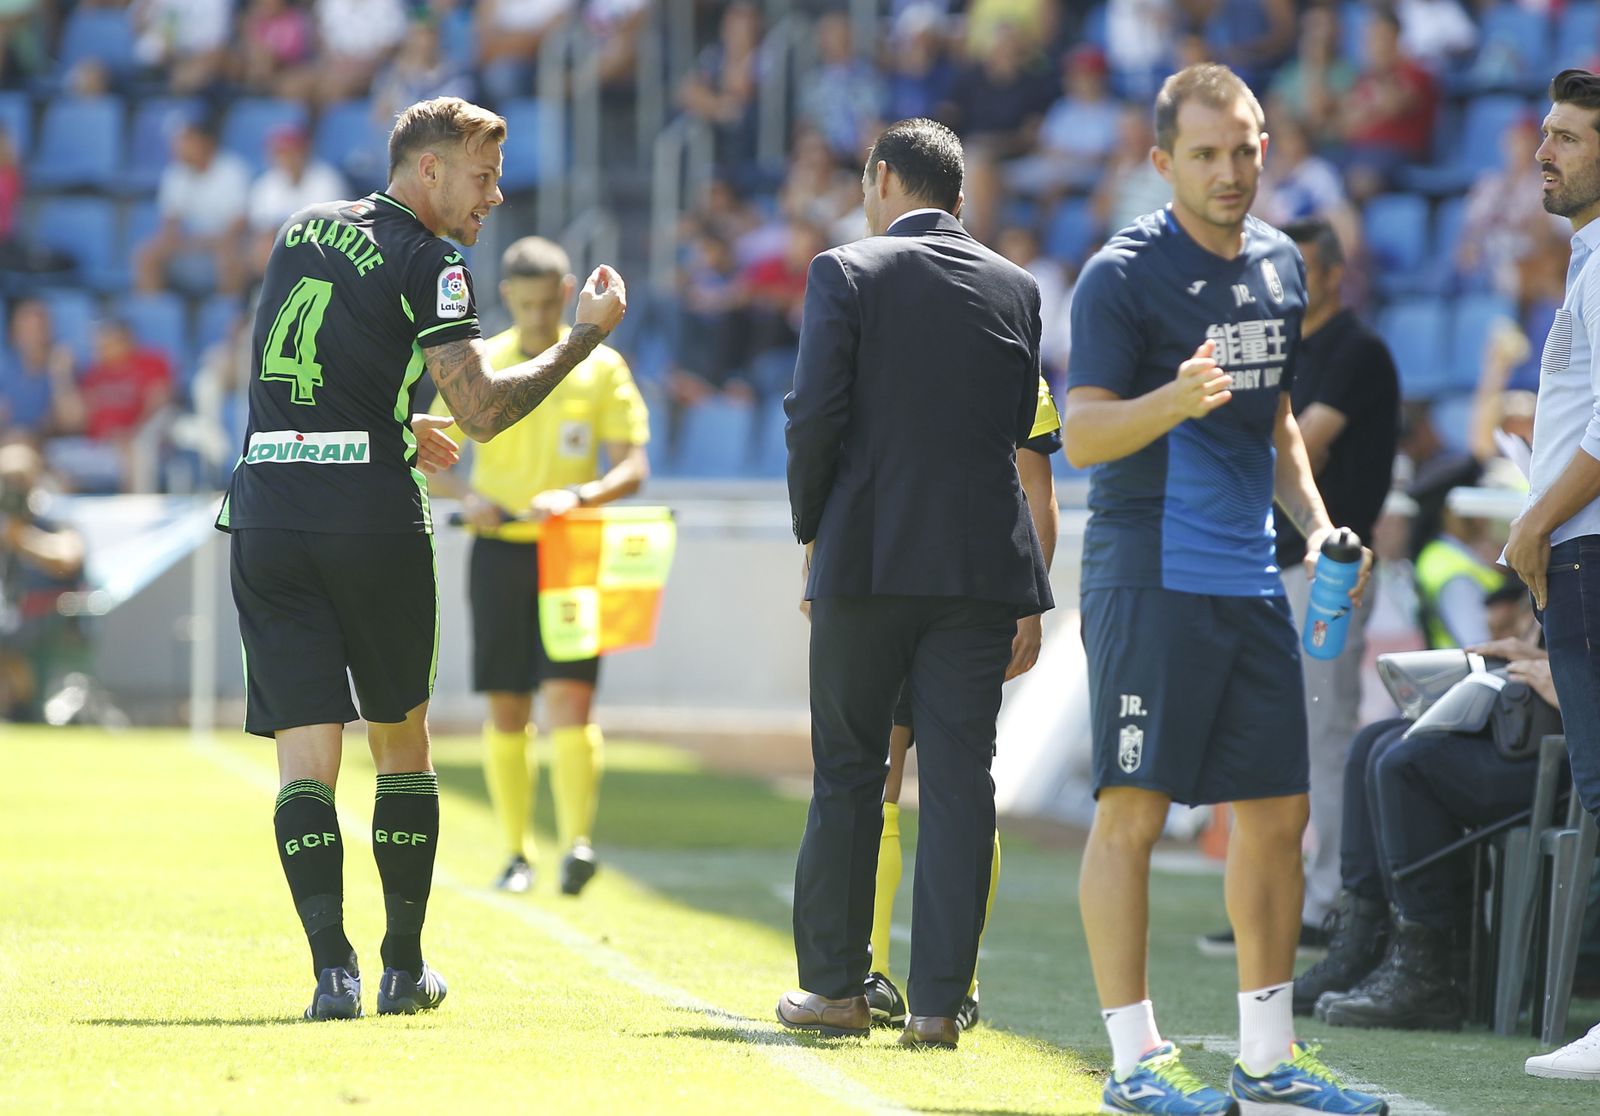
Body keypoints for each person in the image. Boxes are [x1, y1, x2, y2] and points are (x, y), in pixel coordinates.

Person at [214, 96, 627, 1022]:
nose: (495, 196)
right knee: (402, 741)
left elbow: (313, 361)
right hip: (367, 516)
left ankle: (332, 975)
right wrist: (585, 336)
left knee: (305, 757)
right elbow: (480, 411)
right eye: (482, 177)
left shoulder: (300, 227)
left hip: (268, 508)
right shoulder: (433, 261)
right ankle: (403, 968)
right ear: (428, 171)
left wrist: (398, 414)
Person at [1063, 64, 1386, 1114]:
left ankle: (1266, 1054)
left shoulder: (1284, 266)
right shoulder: (1119, 276)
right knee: (1132, 816)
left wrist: (1317, 524)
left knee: (1280, 817)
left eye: (1245, 147)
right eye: (1205, 153)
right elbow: (1081, 434)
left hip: (1252, 581)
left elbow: (1277, 420)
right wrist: (1170, 398)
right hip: (1145, 580)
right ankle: (1132, 1060)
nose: (1230, 169)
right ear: (1162, 163)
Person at [777, 117, 1052, 1051]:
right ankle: (938, 1005)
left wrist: (815, 529)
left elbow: (815, 419)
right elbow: (1018, 428)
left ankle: (836, 990)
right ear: (959, 193)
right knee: (963, 783)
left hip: (868, 558)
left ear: (883, 179)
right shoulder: (1018, 288)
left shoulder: (844, 272)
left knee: (851, 773)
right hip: (980, 570)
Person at [1198, 217, 1399, 957]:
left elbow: (1297, 444)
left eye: (1302, 270)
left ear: (1336, 274)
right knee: (1271, 737)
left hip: (1329, 571)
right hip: (1273, 565)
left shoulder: (1358, 351)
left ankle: (1331, 904)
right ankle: (1277, 900)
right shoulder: (1290, 348)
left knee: (1324, 734)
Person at [428, 235, 649, 897]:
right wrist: (471, 498)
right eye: (521, 305)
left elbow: (633, 466)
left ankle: (577, 843)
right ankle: (516, 851)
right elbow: (426, 449)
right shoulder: (482, 361)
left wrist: (579, 495)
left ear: (566, 294)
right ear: (505, 299)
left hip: (572, 552)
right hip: (499, 552)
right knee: (506, 706)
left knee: (570, 702)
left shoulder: (602, 368)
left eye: (545, 303)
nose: (533, 317)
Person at [865, 375, 1062, 1032]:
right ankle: (877, 974)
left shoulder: (1015, 365)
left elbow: (1038, 489)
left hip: (963, 599)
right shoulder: (894, 336)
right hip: (900, 586)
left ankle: (956, 977)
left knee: (959, 787)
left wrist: (1029, 604)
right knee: (884, 779)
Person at [1504, 67, 1600, 1083]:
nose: (1544, 152)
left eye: (1567, 137)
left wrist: (1531, 529)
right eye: (1547, 133)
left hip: (1585, 552)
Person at [0, 441, 86, 722]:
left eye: (18, 480)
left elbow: (67, 556)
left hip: (52, 617)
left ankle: (22, 708)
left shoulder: (51, 517)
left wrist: (21, 538)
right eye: (5, 481)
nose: (11, 488)